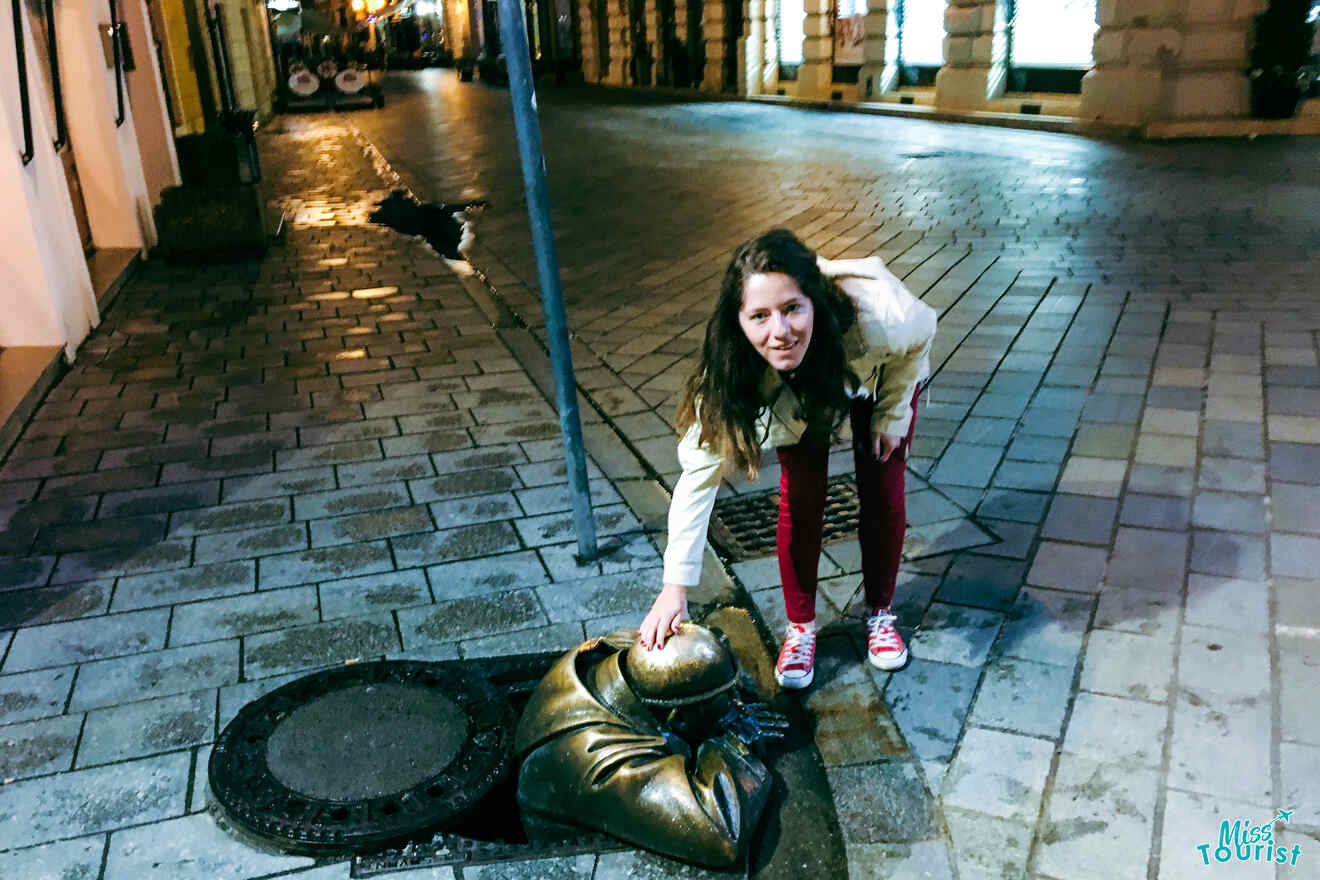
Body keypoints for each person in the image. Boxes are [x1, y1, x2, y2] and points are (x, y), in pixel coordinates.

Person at [638, 228, 937, 689]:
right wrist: (674, 589)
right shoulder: (733, 369)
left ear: (814, 302)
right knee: (800, 497)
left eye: (792, 309)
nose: (779, 332)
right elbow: (698, 478)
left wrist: (892, 415)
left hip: (869, 368)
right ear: (737, 320)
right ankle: (801, 626)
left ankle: (880, 612)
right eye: (759, 316)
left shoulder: (880, 319)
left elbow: (922, 334)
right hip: (797, 388)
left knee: (882, 486)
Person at [513, 624, 787, 867]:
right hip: (575, 848)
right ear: (675, 718)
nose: (736, 704)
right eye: (725, 703)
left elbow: (707, 649)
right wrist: (734, 740)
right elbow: (723, 833)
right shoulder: (604, 760)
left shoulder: (633, 657)